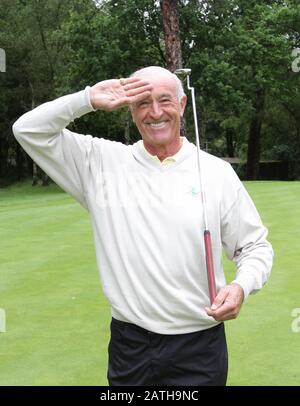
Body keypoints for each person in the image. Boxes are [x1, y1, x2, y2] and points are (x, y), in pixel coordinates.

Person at [13, 66, 273, 386]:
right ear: (130, 110)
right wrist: (87, 98)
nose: (155, 113)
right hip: (130, 345)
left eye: (164, 100)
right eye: (142, 103)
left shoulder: (215, 173)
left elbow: (254, 247)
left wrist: (241, 286)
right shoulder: (100, 163)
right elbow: (28, 129)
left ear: (182, 105)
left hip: (199, 346)